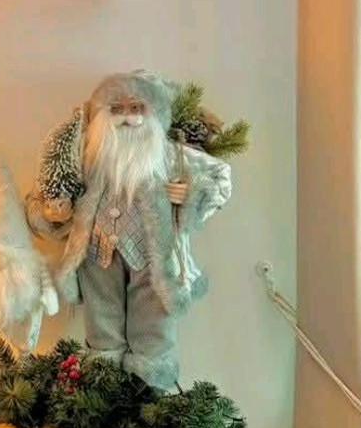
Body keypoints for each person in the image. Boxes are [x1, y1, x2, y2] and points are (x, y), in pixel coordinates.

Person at [26, 71, 231, 389]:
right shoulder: (86, 156)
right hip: (97, 254)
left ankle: (149, 386)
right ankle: (103, 384)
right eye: (116, 109)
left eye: (136, 108)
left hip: (152, 257)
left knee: (152, 322)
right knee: (101, 321)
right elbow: (48, 193)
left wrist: (191, 191)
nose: (127, 118)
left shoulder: (170, 155)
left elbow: (219, 178)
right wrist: (53, 211)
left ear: (154, 114)